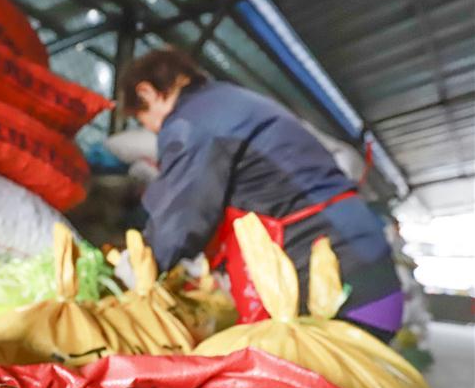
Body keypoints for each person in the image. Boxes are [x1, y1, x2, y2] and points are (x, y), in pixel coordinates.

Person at [119, 47, 402, 341]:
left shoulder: (192, 121)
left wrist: (143, 260)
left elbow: (182, 214)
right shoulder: (229, 101)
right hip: (368, 270)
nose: (151, 130)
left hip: (332, 282)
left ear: (148, 93)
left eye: (142, 119)